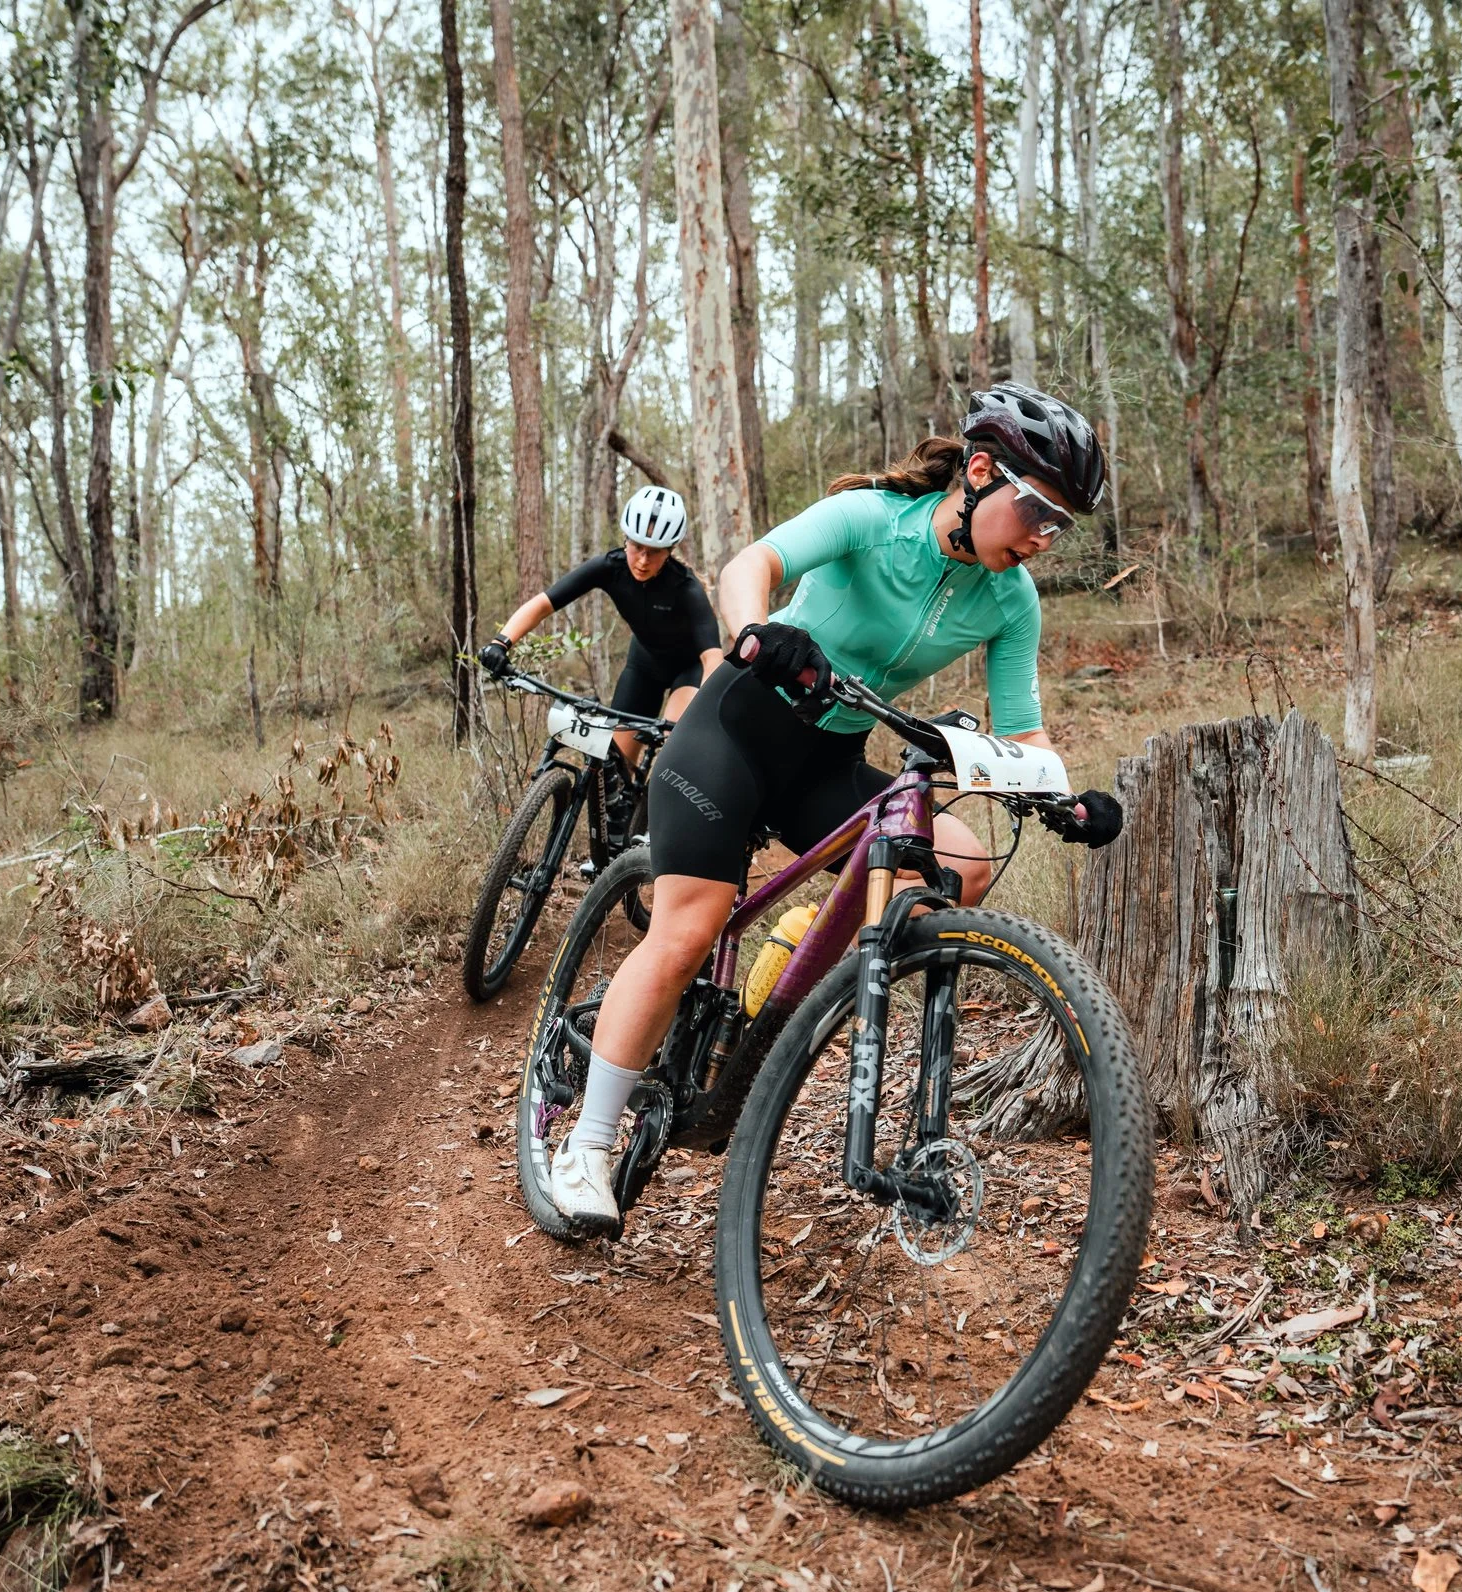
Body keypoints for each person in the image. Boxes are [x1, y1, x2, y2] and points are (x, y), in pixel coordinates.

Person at [542, 384, 1126, 1233]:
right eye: (1037, 509)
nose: (1043, 536)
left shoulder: (1011, 602)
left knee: (956, 859)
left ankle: (790, 949)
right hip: (736, 729)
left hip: (829, 758)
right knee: (688, 928)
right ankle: (586, 1145)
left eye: (1060, 525)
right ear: (980, 470)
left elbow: (1024, 735)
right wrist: (757, 632)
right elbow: (753, 566)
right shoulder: (874, 518)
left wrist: (1063, 796)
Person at [478, 486, 723, 839]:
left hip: (689, 671)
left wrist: (708, 704)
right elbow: (545, 602)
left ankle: (660, 831)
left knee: (674, 745)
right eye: (637, 547)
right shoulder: (609, 568)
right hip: (644, 667)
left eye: (654, 553)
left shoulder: (686, 589)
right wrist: (502, 642)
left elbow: (711, 656)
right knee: (616, 767)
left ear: (671, 551)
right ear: (625, 540)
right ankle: (618, 843)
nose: (642, 560)